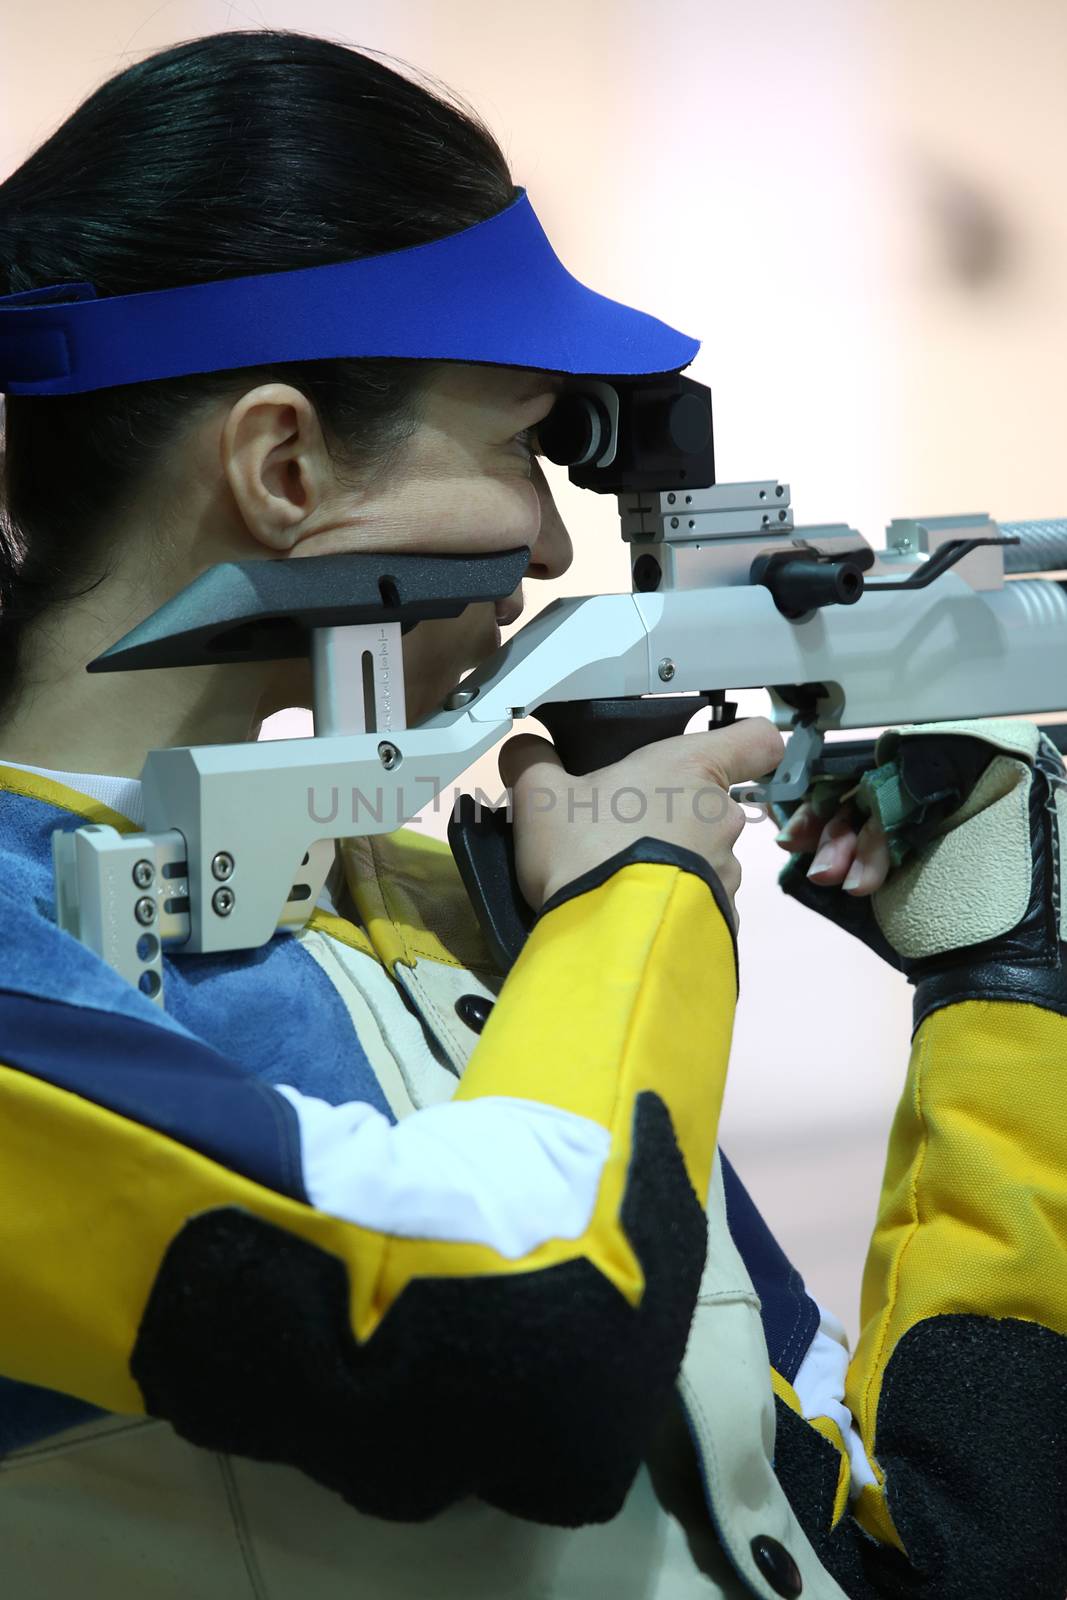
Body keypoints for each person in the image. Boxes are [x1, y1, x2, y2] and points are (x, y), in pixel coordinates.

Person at [0, 28, 1062, 1600]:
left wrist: (1006, 993)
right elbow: (507, 1360)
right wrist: (641, 892)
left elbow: (926, 1555)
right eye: (518, 442)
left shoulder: (435, 913)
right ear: (285, 466)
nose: (548, 542)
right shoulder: (569, 941)